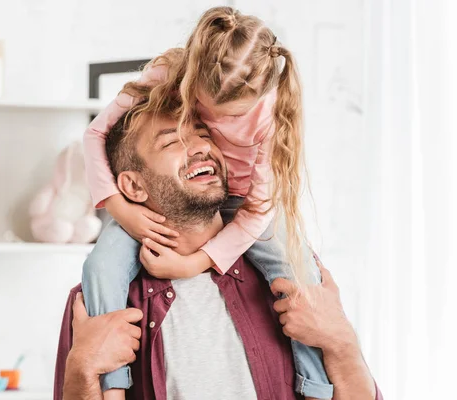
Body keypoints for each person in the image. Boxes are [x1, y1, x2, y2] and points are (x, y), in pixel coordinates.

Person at [54, 92, 382, 399]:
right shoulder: (100, 303)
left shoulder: (290, 276)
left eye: (203, 133)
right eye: (172, 141)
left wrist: (340, 340)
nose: (199, 147)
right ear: (134, 186)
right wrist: (83, 369)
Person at [82, 6, 330, 399]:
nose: (205, 138)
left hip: (248, 206)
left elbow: (256, 212)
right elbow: (96, 132)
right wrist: (119, 208)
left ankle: (316, 384)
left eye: (225, 118)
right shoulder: (170, 73)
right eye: (201, 112)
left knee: (299, 272)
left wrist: (194, 262)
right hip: (144, 208)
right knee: (100, 265)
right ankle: (112, 384)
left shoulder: (268, 117)